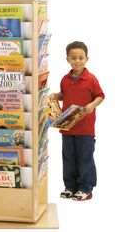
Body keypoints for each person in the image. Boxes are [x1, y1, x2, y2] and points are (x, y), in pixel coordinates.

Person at [49, 41, 105, 201]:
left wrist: (92, 105)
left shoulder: (91, 79)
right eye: (73, 58)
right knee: (68, 157)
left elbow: (101, 96)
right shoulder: (65, 79)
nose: (77, 61)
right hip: (67, 126)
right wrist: (56, 95)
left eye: (81, 58)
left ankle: (85, 188)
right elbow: (63, 94)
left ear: (87, 59)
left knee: (85, 157)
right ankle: (70, 186)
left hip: (85, 128)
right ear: (67, 60)